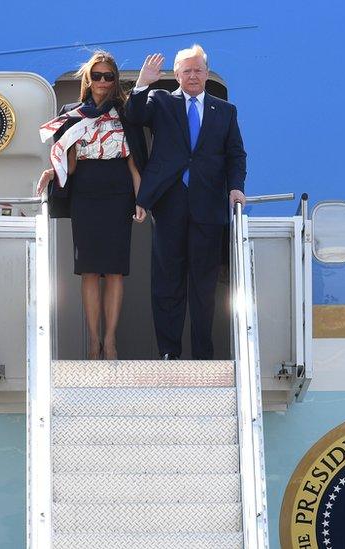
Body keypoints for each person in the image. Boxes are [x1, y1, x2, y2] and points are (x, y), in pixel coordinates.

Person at [126, 45, 246, 360]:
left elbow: (236, 154)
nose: (192, 76)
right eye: (186, 71)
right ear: (177, 74)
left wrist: (236, 187)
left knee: (204, 286)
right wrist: (142, 84)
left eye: (198, 70)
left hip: (208, 205)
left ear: (207, 73)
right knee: (168, 282)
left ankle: (203, 353)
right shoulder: (160, 101)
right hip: (169, 203)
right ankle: (169, 351)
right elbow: (134, 117)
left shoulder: (226, 111)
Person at [37, 50, 148, 360]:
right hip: (85, 191)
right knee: (88, 271)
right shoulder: (72, 113)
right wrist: (51, 171)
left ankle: (110, 341)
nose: (102, 81)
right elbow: (68, 164)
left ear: (114, 81)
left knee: (114, 271)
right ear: (88, 79)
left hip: (118, 191)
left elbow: (133, 160)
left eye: (108, 76)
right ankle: (93, 341)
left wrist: (142, 200)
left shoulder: (126, 113)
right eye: (96, 75)